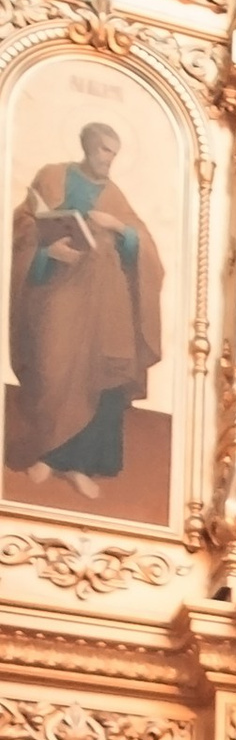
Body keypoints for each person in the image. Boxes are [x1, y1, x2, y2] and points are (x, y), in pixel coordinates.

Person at [7, 119, 163, 503]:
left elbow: (145, 248)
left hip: (104, 303)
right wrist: (46, 251)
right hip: (57, 292)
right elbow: (26, 223)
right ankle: (47, 453)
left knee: (101, 374)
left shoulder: (115, 195)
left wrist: (120, 231)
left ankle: (80, 464)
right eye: (104, 151)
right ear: (87, 147)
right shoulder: (52, 177)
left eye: (114, 153)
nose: (109, 160)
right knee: (51, 364)